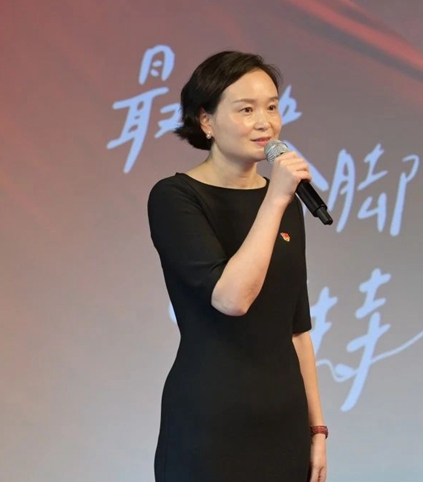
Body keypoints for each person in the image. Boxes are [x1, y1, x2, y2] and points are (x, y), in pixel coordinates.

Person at [147, 50, 327, 482]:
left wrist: (317, 429)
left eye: (272, 107)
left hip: (284, 423)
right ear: (205, 121)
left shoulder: (284, 202)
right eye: (246, 110)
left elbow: (297, 328)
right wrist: (276, 198)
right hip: (210, 424)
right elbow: (232, 299)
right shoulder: (176, 198)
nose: (265, 123)